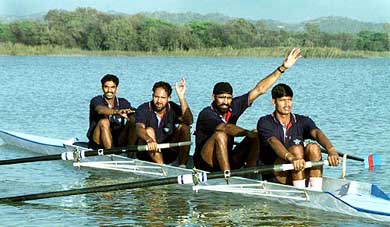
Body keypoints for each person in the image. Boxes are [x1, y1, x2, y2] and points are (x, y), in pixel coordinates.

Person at [193, 48, 302, 176]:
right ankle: (227, 177)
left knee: (257, 133)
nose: (225, 101)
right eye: (221, 98)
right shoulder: (206, 114)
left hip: (226, 156)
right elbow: (225, 127)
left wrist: (282, 68)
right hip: (205, 162)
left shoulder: (234, 105)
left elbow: (259, 89)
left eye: (228, 98)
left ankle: (250, 174)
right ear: (213, 97)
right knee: (220, 134)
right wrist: (246, 133)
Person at [257, 83, 340, 190]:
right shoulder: (265, 122)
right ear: (274, 102)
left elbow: (316, 133)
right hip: (275, 173)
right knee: (296, 149)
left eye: (289, 100)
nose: (287, 104)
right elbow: (273, 141)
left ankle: (315, 189)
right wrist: (291, 158)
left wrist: (331, 149)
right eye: (282, 100)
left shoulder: (302, 121)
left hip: (298, 168)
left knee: (313, 147)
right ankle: (301, 190)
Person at [135, 79, 193, 166]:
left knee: (185, 127)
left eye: (162, 98)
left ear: (168, 98)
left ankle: (183, 165)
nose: (159, 101)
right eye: (156, 97)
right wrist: (149, 139)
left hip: (167, 150)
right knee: (149, 130)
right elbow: (139, 128)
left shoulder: (173, 108)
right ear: (152, 95)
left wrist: (181, 97)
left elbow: (189, 121)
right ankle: (162, 167)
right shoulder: (143, 109)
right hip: (148, 152)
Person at [87, 74, 136, 149]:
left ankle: (132, 154)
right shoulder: (96, 100)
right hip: (97, 141)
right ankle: (111, 153)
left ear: (117, 88)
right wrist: (117, 112)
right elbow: (100, 110)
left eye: (112, 87)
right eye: (106, 87)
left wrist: (132, 116)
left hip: (118, 140)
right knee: (104, 122)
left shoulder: (123, 102)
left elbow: (134, 114)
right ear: (102, 88)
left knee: (134, 121)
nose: (109, 90)